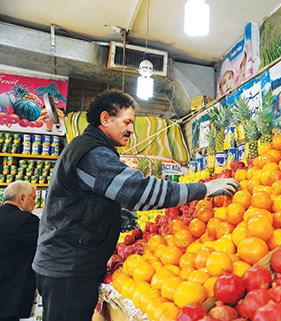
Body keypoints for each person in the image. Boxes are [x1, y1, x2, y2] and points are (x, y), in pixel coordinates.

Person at [32, 90, 239, 321]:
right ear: (106, 119)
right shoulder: (92, 154)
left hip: (69, 263)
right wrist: (204, 189)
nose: (131, 129)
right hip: (69, 268)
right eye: (127, 122)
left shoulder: (89, 147)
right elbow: (139, 191)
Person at [0, 181, 39, 321]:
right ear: (22, 198)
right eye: (33, 197)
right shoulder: (26, 221)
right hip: (8, 297)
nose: (35, 203)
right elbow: (44, 247)